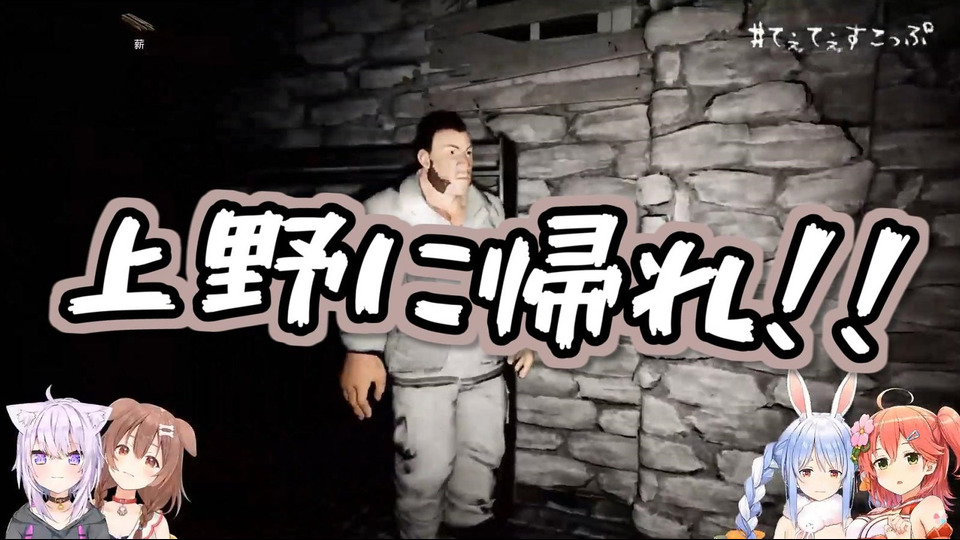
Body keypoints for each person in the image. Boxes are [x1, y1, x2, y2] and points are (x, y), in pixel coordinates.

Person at [339, 110, 536, 539]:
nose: (464, 162)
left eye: (468, 152)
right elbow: (362, 282)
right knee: (424, 470)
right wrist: (362, 349)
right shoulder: (386, 210)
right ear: (425, 159)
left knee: (482, 462)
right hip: (421, 368)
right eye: (451, 152)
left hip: (484, 367)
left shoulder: (491, 210)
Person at [723, 370, 859, 539]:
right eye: (806, 471)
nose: (819, 482)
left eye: (834, 472)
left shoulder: (844, 525)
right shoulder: (788, 521)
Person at [845, 389, 958, 539]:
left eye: (911, 458)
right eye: (882, 462)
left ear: (930, 465)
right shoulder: (880, 512)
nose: (896, 471)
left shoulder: (930, 506)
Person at [5, 386, 112, 539]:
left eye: (73, 459)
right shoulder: (23, 520)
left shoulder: (92, 520)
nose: (56, 470)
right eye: (40, 458)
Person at [93, 399, 197, 539]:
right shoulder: (86, 509)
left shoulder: (156, 522)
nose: (131, 465)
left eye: (151, 461)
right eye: (123, 450)